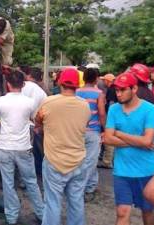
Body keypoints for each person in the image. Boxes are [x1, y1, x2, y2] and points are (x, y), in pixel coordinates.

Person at [35, 68, 91, 225]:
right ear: (77, 85)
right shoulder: (85, 105)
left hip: (54, 161)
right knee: (76, 202)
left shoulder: (48, 102)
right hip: (78, 160)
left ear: (59, 82)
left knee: (52, 203)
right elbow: (84, 124)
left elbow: (38, 121)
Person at [104, 72, 154, 225]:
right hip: (122, 171)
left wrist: (119, 133)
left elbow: (148, 139)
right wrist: (140, 141)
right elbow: (108, 138)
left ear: (134, 89)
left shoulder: (150, 110)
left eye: (122, 90)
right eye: (116, 90)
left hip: (146, 170)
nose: (118, 94)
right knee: (122, 212)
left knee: (147, 211)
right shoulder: (114, 109)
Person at [0, 71, 44, 225]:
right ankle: (41, 214)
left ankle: (12, 217)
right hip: (24, 148)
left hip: (5, 148)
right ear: (23, 85)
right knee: (31, 182)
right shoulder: (30, 102)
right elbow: (34, 119)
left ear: (8, 84)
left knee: (8, 184)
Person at [76, 68, 106, 202]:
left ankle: (90, 186)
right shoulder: (99, 93)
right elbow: (101, 112)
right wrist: (105, 128)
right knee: (91, 160)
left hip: (78, 130)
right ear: (96, 78)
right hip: (93, 130)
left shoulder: (76, 92)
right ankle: (84, 189)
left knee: (80, 160)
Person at [20, 66, 47, 177]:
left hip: (21, 124)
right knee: (38, 151)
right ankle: (39, 173)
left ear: (29, 76)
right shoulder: (42, 92)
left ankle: (25, 176)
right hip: (36, 125)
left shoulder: (22, 86)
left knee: (24, 153)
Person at [98, 73, 117, 169]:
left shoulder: (111, 89)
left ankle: (107, 161)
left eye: (104, 80)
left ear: (108, 81)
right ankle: (109, 159)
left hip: (111, 115)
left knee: (109, 137)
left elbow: (111, 103)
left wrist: (108, 116)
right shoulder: (116, 88)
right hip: (115, 115)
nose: (103, 82)